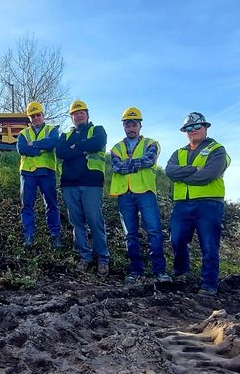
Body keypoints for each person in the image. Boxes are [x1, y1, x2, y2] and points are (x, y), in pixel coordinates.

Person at [164, 112, 230, 295]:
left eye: (196, 127)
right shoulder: (179, 152)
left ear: (206, 127)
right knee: (177, 240)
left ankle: (209, 284)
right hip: (182, 204)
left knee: (209, 244)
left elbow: (210, 174)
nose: (192, 131)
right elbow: (170, 171)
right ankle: (181, 275)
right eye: (188, 128)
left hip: (209, 203)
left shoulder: (217, 149)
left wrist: (184, 176)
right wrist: (194, 169)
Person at [108, 107, 171, 284]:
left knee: (154, 231)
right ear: (123, 127)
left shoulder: (151, 143)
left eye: (134, 125)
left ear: (140, 125)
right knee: (130, 234)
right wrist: (134, 164)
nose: (131, 128)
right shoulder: (116, 148)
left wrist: (127, 163)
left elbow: (148, 160)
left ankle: (159, 271)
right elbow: (116, 167)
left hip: (145, 193)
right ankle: (136, 271)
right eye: (128, 125)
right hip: (124, 195)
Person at [56, 99, 109, 275]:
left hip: (91, 183)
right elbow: (61, 152)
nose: (78, 116)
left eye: (81, 113)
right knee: (77, 223)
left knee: (95, 221)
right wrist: (83, 149)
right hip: (70, 184)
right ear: (71, 118)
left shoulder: (98, 130)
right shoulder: (65, 136)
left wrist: (76, 147)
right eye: (75, 114)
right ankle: (84, 257)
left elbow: (97, 143)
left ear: (87, 114)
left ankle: (102, 258)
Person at [17, 101, 62, 247]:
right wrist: (41, 147)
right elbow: (22, 149)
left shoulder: (52, 130)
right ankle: (28, 236)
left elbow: (53, 143)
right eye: (33, 116)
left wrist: (33, 144)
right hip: (27, 173)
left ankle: (55, 235)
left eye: (38, 115)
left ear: (43, 115)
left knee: (51, 204)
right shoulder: (23, 133)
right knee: (27, 205)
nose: (36, 118)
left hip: (46, 171)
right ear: (29, 118)